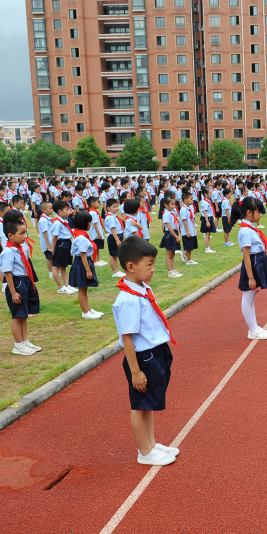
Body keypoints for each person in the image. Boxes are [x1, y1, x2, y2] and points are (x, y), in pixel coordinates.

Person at [111, 236, 180, 467]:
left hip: (155, 350)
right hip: (143, 357)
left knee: (149, 402)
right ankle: (144, 452)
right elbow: (127, 338)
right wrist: (136, 371)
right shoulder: (128, 300)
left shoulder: (142, 288)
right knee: (140, 405)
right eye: (149, 264)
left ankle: (151, 444)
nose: (153, 269)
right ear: (131, 267)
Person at [0, 217, 42, 355]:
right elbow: (8, 273)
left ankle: (25, 341)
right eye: (21, 233)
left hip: (24, 281)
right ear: (10, 235)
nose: (25, 236)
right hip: (16, 283)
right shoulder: (7, 252)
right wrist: (13, 292)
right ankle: (18, 345)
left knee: (24, 314)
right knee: (17, 316)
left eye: (25, 233)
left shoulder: (19, 249)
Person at [233, 196, 267, 340]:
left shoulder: (250, 228)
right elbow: (246, 256)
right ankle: (252, 330)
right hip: (253, 263)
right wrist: (251, 277)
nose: (261, 214)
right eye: (259, 211)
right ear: (249, 213)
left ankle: (254, 327)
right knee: (248, 297)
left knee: (251, 297)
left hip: (257, 262)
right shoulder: (245, 231)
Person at [50, 200, 77, 295]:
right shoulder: (58, 223)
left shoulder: (64, 220)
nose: (69, 211)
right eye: (67, 209)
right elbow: (54, 237)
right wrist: (53, 249)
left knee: (63, 266)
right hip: (61, 244)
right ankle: (60, 287)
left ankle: (67, 285)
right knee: (56, 267)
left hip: (66, 243)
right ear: (60, 212)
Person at [159, 196, 183, 279]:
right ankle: (170, 271)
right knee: (169, 255)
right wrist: (176, 236)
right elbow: (169, 227)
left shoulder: (173, 213)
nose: (173, 206)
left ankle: (173, 270)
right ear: (165, 205)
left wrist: (179, 235)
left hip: (175, 233)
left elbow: (177, 225)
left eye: (174, 204)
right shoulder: (166, 214)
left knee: (173, 254)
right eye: (171, 204)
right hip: (170, 234)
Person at [104, 198, 126, 278]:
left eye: (117, 206)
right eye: (114, 207)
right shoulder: (110, 217)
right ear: (108, 208)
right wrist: (117, 240)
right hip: (114, 237)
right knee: (113, 254)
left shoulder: (114, 216)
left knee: (116, 254)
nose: (116, 208)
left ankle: (117, 270)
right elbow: (112, 229)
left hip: (119, 235)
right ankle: (114, 271)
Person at [178, 191, 198, 265]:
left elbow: (192, 219)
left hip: (191, 229)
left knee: (191, 245)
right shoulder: (183, 209)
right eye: (191, 199)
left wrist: (194, 228)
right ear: (185, 200)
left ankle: (184, 254)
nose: (192, 201)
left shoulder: (190, 208)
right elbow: (184, 220)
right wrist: (187, 231)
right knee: (188, 245)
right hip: (187, 230)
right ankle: (189, 260)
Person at [199, 186, 218, 254]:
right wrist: (207, 222)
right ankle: (207, 249)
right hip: (207, 219)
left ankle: (208, 248)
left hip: (209, 218)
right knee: (207, 234)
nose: (211, 194)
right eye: (210, 193)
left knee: (208, 234)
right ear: (205, 194)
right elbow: (205, 213)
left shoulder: (208, 201)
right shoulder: (205, 202)